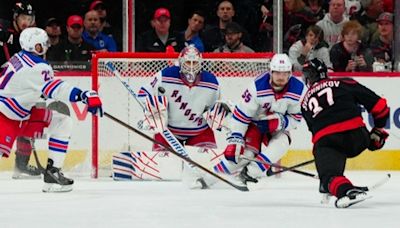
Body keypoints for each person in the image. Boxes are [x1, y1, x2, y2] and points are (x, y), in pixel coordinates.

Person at [0, 27, 103, 192]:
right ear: (36, 47)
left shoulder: (19, 57)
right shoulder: (38, 66)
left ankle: (53, 174)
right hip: (5, 118)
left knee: (62, 121)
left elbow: (31, 85)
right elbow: (56, 88)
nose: (47, 45)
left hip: (20, 117)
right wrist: (83, 95)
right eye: (43, 43)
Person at [300, 58, 389, 208]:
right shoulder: (345, 82)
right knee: (370, 138)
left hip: (329, 141)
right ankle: (339, 181)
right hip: (358, 138)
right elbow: (380, 107)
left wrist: (325, 166)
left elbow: (317, 133)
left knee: (328, 174)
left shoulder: (304, 104)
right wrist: (377, 130)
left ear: (308, 78)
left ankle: (337, 185)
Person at [137, 45, 221, 188]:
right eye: (188, 62)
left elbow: (216, 108)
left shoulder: (212, 82)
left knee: (207, 172)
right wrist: (152, 109)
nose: (192, 67)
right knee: (164, 175)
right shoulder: (165, 76)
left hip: (199, 132)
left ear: (201, 63)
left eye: (195, 63)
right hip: (168, 131)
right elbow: (143, 93)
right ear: (181, 62)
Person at [213, 53, 305, 184]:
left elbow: (296, 119)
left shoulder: (299, 90)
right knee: (244, 156)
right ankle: (209, 176)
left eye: (285, 73)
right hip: (253, 125)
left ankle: (250, 173)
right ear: (271, 72)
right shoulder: (257, 87)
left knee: (282, 143)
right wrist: (236, 138)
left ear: (290, 73)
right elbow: (241, 116)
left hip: (277, 127)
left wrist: (279, 122)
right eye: (277, 73)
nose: (281, 77)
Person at [0, 1, 43, 178]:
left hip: (15, 85)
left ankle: (21, 164)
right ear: (15, 17)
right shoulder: (3, 28)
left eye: (29, 18)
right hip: (5, 84)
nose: (26, 22)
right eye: (23, 18)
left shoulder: (30, 36)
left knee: (29, 116)